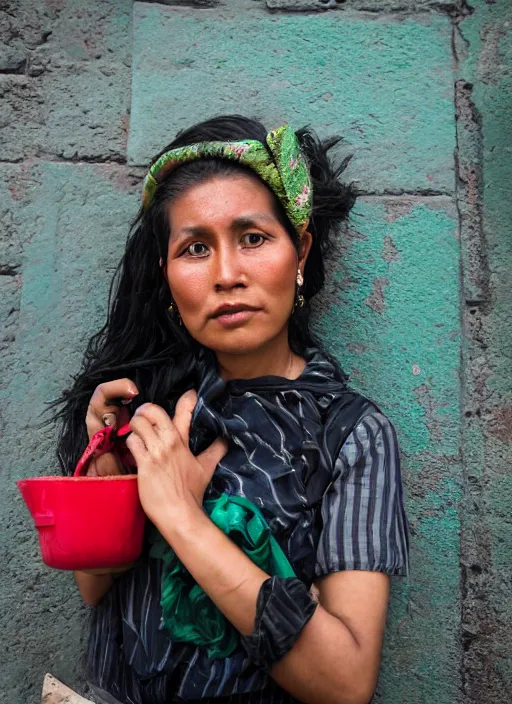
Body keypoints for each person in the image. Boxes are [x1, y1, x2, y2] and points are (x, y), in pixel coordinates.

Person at [55, 115, 409, 704]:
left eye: (253, 238)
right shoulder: (148, 412)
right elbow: (95, 591)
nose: (226, 275)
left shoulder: (351, 435)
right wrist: (108, 472)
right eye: (195, 248)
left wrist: (180, 516)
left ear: (300, 252)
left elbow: (344, 683)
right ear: (167, 278)